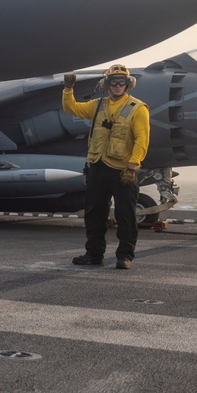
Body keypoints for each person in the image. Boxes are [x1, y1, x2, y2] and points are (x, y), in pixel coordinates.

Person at [62, 65, 150, 269]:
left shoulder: (138, 108)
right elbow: (71, 108)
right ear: (106, 84)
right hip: (97, 166)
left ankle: (125, 256)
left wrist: (132, 166)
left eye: (122, 82)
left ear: (128, 84)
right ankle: (93, 254)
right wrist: (68, 89)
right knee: (94, 213)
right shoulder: (97, 105)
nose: (118, 86)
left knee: (126, 214)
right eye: (113, 82)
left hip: (123, 170)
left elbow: (141, 140)